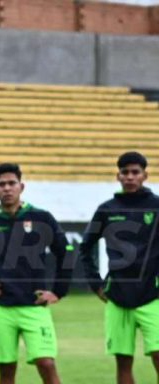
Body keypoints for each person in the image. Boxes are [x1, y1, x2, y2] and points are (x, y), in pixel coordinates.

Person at [0, 163, 73, 384]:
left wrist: (58, 292)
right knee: (6, 370)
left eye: (11, 183)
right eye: (1, 184)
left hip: (35, 306)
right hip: (0, 307)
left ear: (21, 186)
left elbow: (66, 253)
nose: (7, 188)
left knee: (46, 363)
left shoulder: (41, 218)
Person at [79, 151, 159, 384]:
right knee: (123, 361)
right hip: (117, 297)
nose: (130, 177)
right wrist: (96, 285)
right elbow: (85, 248)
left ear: (145, 175)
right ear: (118, 176)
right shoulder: (107, 209)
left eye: (135, 172)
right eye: (125, 172)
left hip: (152, 297)